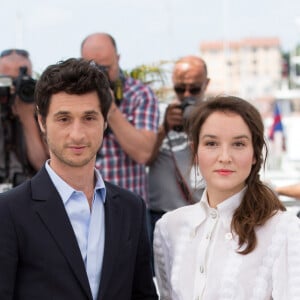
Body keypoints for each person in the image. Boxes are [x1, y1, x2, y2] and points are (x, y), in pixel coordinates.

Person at [0, 58, 158, 300]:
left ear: (105, 121)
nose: (77, 134)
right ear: (42, 121)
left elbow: (143, 295)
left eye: (89, 118)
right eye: (64, 119)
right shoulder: (9, 211)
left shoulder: (131, 208)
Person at [154, 95, 300, 300]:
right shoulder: (169, 227)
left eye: (238, 144)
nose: (224, 157)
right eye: (212, 143)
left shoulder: (284, 229)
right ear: (195, 151)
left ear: (255, 154)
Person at [81, 32, 159, 201]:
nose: (100, 75)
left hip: (128, 206)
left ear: (118, 58)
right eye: (92, 68)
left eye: (106, 68)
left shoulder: (139, 94)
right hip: (84, 205)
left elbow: (143, 153)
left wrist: (109, 107)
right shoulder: (74, 97)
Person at [147, 55, 210, 238]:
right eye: (180, 89)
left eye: (194, 89)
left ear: (206, 84)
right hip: (161, 213)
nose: (187, 95)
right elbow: (143, 158)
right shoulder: (158, 113)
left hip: (201, 213)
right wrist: (164, 128)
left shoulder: (214, 117)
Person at [0, 49, 48, 191]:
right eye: (10, 81)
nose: (16, 88)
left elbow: (43, 166)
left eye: (23, 80)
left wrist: (27, 118)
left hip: (28, 196)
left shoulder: (42, 112)